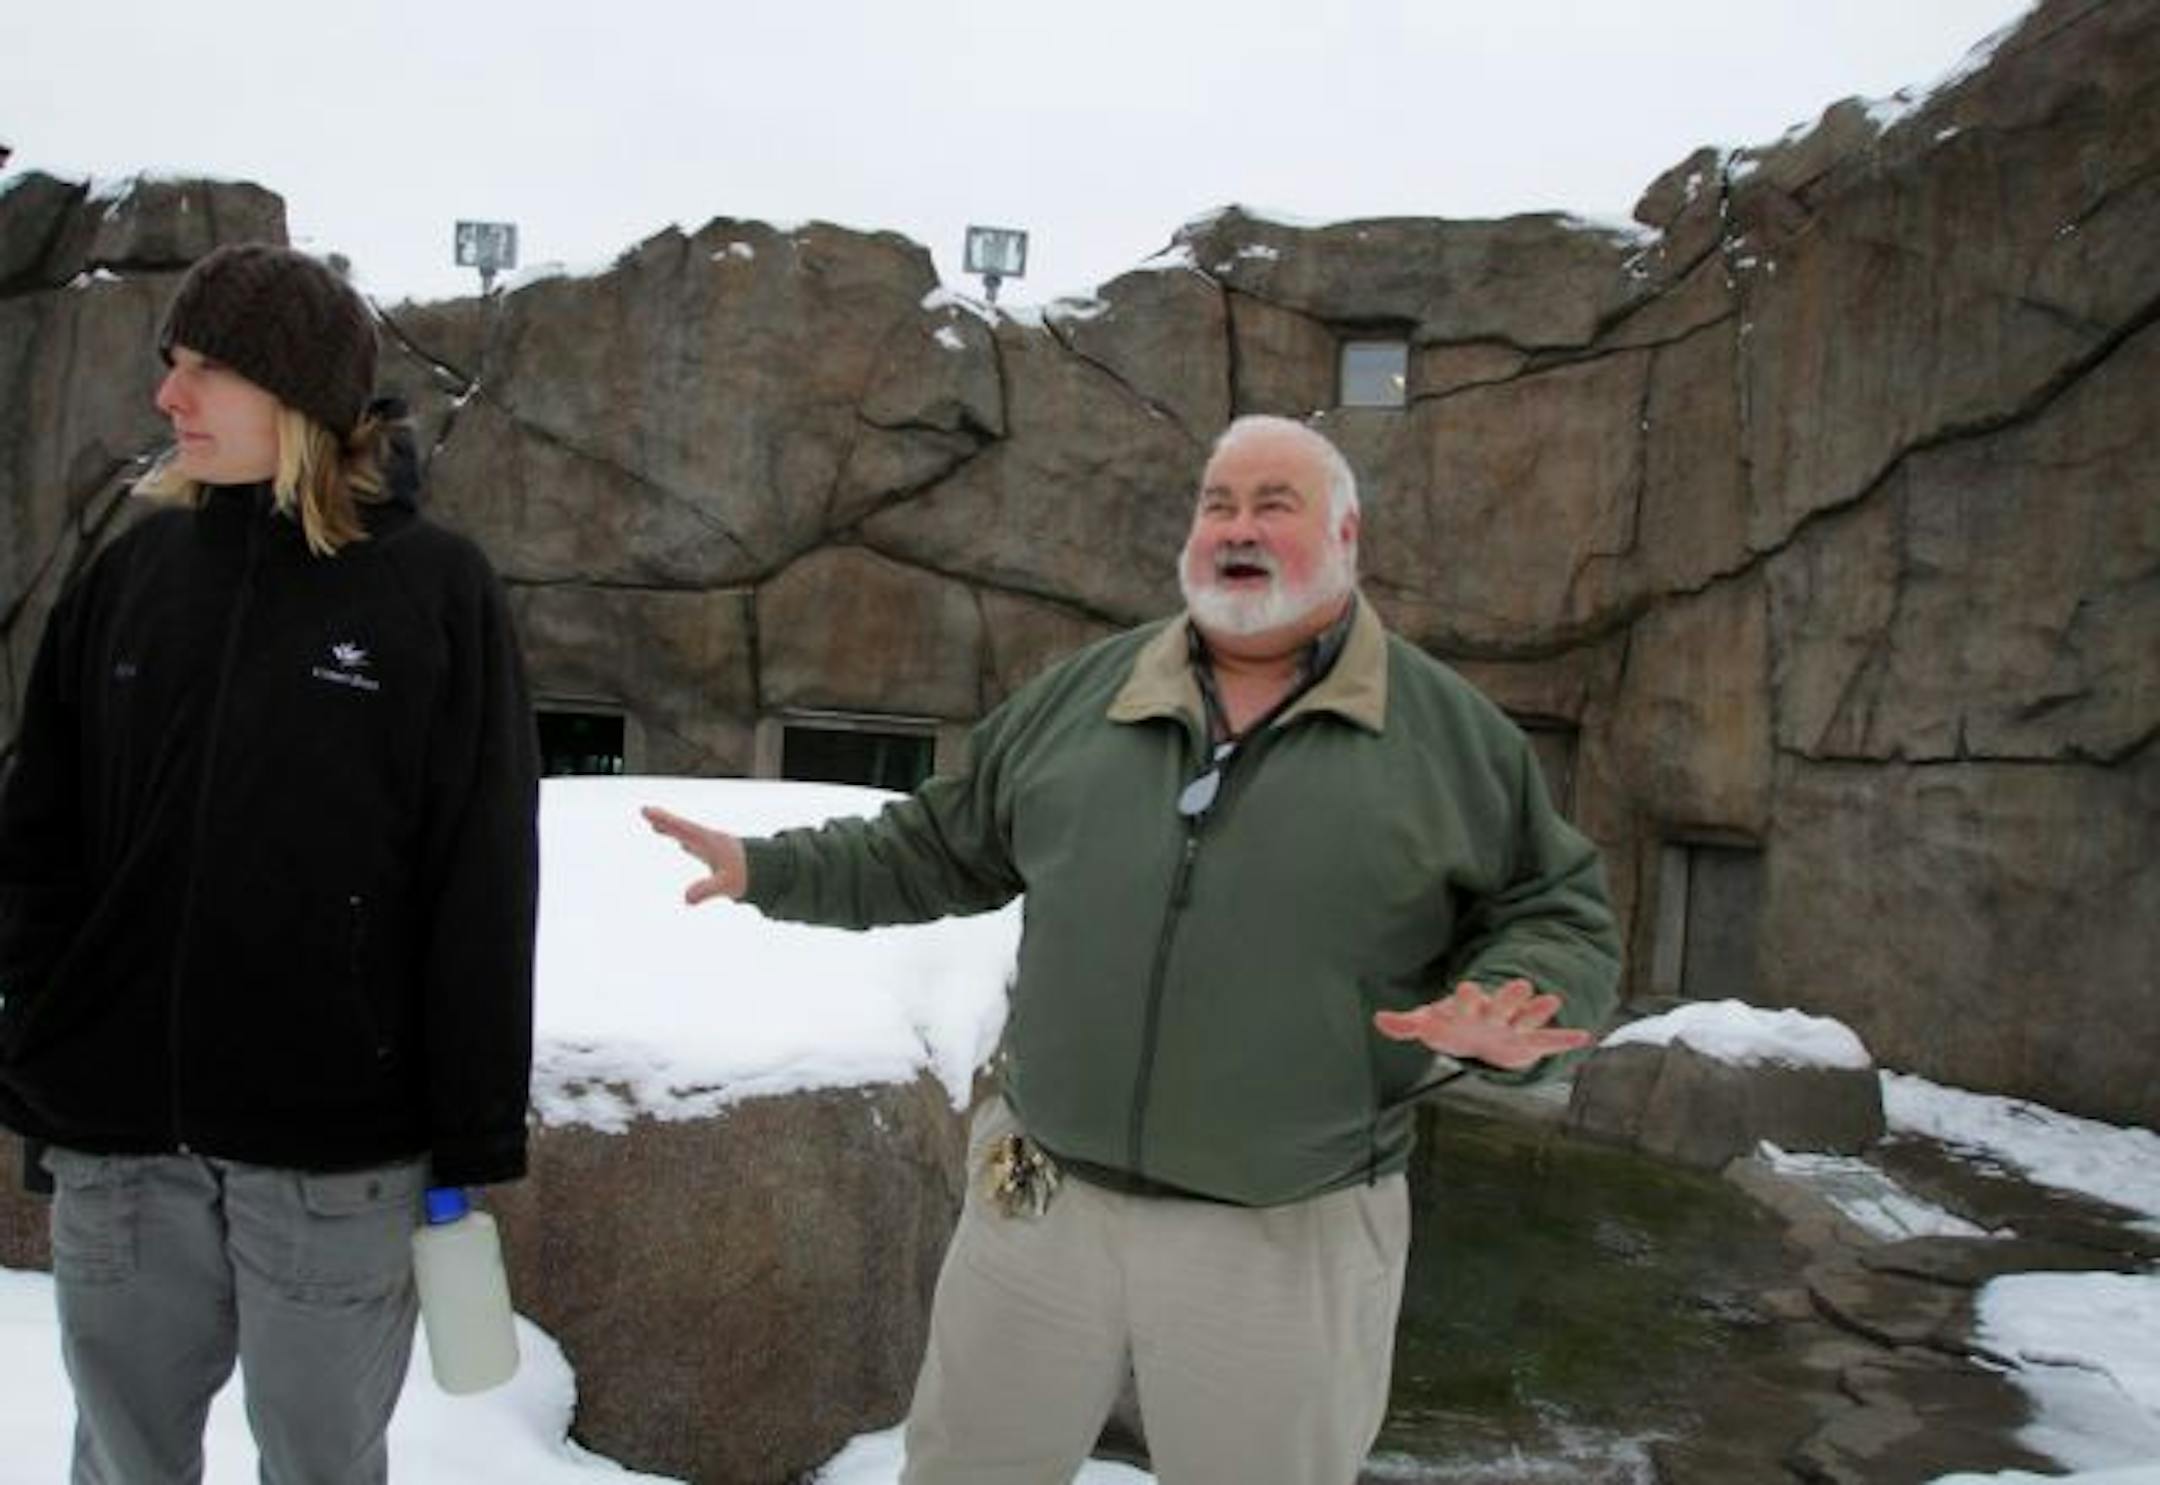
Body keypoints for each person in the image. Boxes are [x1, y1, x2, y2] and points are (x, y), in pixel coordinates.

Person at [644, 414, 1619, 1485]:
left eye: (1273, 506)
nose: (1237, 528)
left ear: (1348, 537)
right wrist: (770, 869)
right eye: (1218, 505)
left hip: (1285, 1228)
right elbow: (940, 846)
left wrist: (1514, 1002)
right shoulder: (1083, 698)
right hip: (1040, 1200)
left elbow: (1553, 907)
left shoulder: (1449, 738)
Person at [0, 242, 540, 1484]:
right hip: (122, 1143)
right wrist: (44, 1060)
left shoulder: (433, 591)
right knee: (125, 1463)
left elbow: (482, 878)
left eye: (204, 370)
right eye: (169, 366)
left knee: (318, 1466)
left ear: (294, 394)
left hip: (334, 1157)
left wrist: (466, 1138)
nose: (168, 397)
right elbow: (39, 838)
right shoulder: (128, 576)